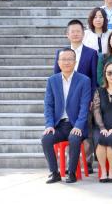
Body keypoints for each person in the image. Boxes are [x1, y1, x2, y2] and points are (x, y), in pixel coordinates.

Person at [42, 49, 92, 184]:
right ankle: (54, 173)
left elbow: (84, 106)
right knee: (46, 139)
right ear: (58, 62)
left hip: (75, 124)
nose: (66, 62)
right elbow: (48, 105)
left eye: (70, 59)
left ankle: (71, 172)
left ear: (75, 62)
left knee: (74, 139)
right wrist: (49, 125)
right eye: (63, 59)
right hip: (58, 125)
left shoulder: (84, 80)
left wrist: (79, 126)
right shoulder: (52, 80)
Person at [56, 20, 100, 86]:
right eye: (72, 32)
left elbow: (94, 77)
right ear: (67, 34)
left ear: (83, 34)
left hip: (84, 90)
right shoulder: (61, 53)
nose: (75, 34)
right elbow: (56, 75)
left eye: (78, 31)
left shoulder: (92, 53)